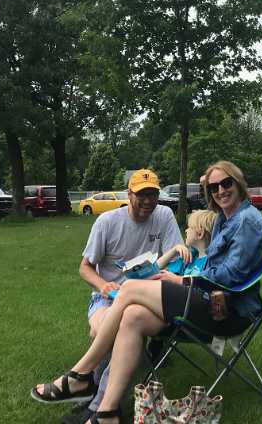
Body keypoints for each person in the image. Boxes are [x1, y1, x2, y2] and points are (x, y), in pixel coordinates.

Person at [31, 161, 262, 424]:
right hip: (206, 299)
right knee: (132, 315)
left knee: (130, 287)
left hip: (225, 311)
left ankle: (80, 375)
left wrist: (182, 280)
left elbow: (230, 276)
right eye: (214, 187)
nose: (220, 190)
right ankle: (107, 412)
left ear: (239, 182)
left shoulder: (247, 220)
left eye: (226, 183)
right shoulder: (226, 218)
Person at [57, 168, 185, 424]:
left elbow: (175, 259)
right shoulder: (107, 222)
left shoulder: (164, 215)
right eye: (141, 194)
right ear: (129, 194)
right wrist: (102, 285)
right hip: (107, 297)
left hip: (146, 296)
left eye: (153, 194)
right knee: (106, 329)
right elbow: (85, 267)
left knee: (125, 324)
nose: (148, 201)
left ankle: (94, 401)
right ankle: (98, 399)